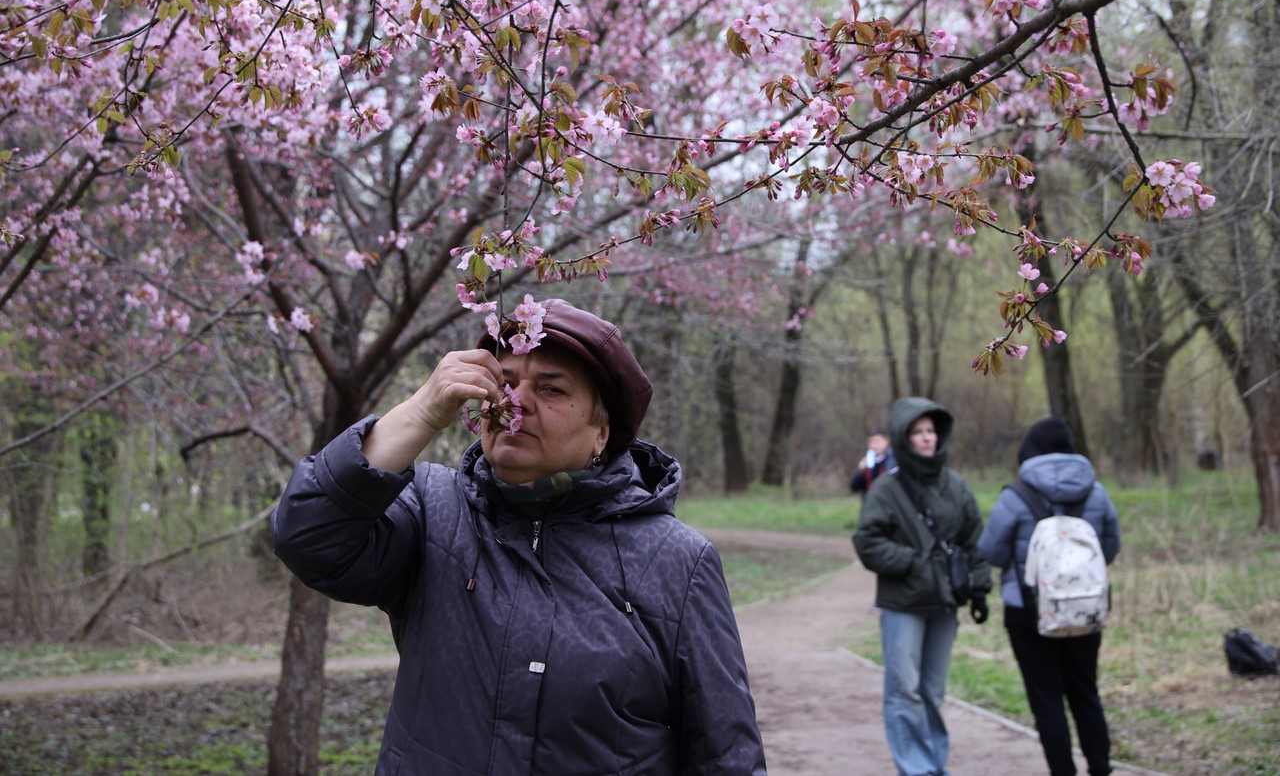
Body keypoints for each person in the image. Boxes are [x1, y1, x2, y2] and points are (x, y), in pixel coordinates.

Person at [271, 299, 767, 775]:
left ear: (602, 431)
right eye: (503, 382)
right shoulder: (432, 511)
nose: (515, 402)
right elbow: (306, 536)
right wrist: (421, 412)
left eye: (551, 389)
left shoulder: (677, 562)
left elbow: (725, 755)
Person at [853, 396, 992, 776]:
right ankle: (916, 769)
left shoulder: (955, 486)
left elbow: (974, 540)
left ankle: (933, 764)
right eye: (918, 432)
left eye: (931, 431)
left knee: (931, 690)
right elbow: (867, 542)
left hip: (944, 603)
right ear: (903, 437)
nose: (927, 438)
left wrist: (979, 588)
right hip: (903, 604)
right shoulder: (887, 489)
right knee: (904, 690)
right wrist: (914, 563)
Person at [977, 417, 1121, 776]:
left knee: (1046, 701)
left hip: (1027, 612)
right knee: (1086, 693)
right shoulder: (1097, 493)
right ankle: (1100, 769)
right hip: (1085, 609)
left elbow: (991, 552)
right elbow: (1109, 548)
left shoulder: (1015, 496)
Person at [850, 427, 897, 497]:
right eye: (870, 441)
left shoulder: (894, 460)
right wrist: (861, 471)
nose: (873, 445)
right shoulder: (867, 463)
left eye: (877, 441)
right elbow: (854, 487)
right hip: (871, 502)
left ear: (887, 441)